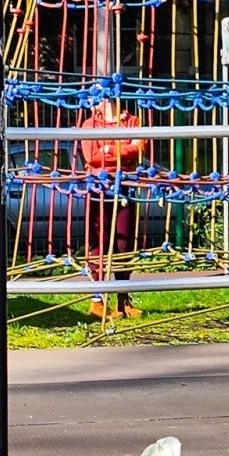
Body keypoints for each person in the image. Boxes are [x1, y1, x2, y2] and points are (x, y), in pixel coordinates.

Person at [78, 97, 146, 320]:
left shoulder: (133, 121)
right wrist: (122, 149)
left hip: (125, 186)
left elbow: (139, 149)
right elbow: (91, 156)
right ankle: (97, 301)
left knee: (124, 244)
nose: (91, 102)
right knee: (100, 242)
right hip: (98, 187)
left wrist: (108, 148)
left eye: (96, 97)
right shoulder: (89, 125)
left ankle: (123, 300)